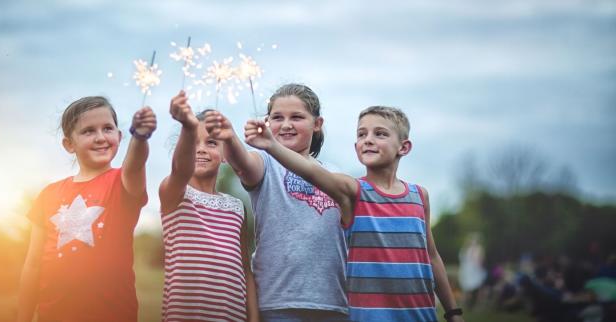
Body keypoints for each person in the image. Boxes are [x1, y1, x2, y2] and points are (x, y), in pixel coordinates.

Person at [244, 105, 464, 322]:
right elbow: (311, 171)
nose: (368, 139)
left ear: (403, 147)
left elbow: (432, 256)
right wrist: (271, 146)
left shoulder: (419, 196)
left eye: (380, 134)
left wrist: (452, 313)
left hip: (421, 314)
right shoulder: (352, 192)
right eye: (362, 134)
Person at [204, 84, 349, 321]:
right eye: (277, 117)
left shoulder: (334, 173)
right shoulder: (265, 162)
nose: (286, 124)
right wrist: (229, 138)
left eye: (297, 117)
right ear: (267, 122)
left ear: (318, 123)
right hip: (278, 302)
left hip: (333, 303)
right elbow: (242, 163)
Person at [17, 96, 157, 322]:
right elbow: (32, 265)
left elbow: (136, 163)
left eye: (108, 128)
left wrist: (140, 137)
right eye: (88, 131)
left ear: (120, 137)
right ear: (69, 144)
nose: (101, 137)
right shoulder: (48, 194)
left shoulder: (122, 182)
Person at [159, 91, 259, 322]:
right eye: (193, 143)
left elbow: (245, 269)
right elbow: (180, 169)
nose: (201, 149)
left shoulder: (236, 207)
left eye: (211, 143)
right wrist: (187, 126)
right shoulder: (174, 194)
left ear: (225, 155)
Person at [459, 233, 487, 309]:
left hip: (475, 271)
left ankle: (477, 305)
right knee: (467, 288)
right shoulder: (467, 249)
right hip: (468, 271)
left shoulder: (478, 249)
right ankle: (467, 304)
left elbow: (480, 260)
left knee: (478, 288)